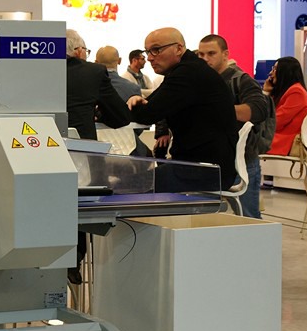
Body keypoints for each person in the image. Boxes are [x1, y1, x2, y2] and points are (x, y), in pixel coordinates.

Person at [126, 29, 239, 191]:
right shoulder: (186, 70)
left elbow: (148, 114)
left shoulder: (188, 73)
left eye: (156, 50)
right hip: (200, 166)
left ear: (178, 49)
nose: (150, 58)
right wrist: (138, 102)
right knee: (128, 184)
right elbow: (151, 104)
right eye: (148, 52)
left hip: (204, 170)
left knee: (123, 186)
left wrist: (116, 111)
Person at [196, 34, 274, 218]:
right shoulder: (198, 80)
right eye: (201, 54)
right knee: (204, 217)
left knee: (248, 216)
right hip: (207, 160)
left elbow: (258, 110)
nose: (205, 59)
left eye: (211, 53)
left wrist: (219, 110)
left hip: (241, 160)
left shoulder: (241, 80)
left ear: (225, 54)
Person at [65, 29, 133, 140]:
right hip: (81, 145)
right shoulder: (93, 72)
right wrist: (96, 113)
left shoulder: (41, 72)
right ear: (79, 51)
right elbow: (120, 117)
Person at [264, 56, 307, 156]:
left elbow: (276, 121)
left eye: (275, 69)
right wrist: (268, 92)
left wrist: (265, 93)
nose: (271, 73)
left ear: (285, 72)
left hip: (283, 142)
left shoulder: (296, 92)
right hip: (276, 138)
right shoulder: (288, 91)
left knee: (247, 142)